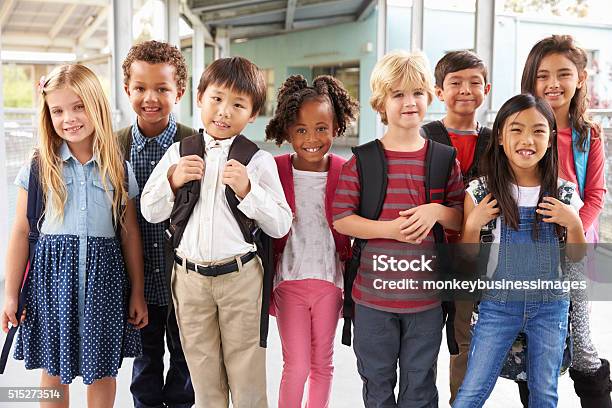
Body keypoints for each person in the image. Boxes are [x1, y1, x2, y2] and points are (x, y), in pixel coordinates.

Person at [140, 56, 292, 407]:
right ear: (199, 97)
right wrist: (172, 179)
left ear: (252, 114)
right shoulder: (179, 153)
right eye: (217, 99)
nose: (224, 111)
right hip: (189, 279)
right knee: (204, 380)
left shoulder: (257, 160)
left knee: (247, 379)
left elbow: (281, 223)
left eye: (238, 104)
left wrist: (249, 191)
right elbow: (150, 209)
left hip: (240, 278)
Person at [1, 64, 147, 408]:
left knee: (102, 373)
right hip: (51, 285)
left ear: (96, 105)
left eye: (78, 106)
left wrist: (137, 291)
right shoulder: (38, 167)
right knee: (53, 372)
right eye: (58, 110)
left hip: (106, 285)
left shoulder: (118, 167)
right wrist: (10, 295)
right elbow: (21, 232)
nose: (69, 118)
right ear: (47, 115)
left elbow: (128, 233)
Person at [333, 50, 464, 407]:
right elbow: (342, 219)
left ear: (430, 97)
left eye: (417, 93)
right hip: (374, 300)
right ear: (381, 102)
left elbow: (461, 218)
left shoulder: (443, 159)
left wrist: (436, 210)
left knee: (420, 386)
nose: (410, 102)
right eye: (398, 94)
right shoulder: (362, 161)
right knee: (377, 384)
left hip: (426, 301)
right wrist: (389, 230)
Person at [453, 93, 586, 408]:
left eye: (539, 130)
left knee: (545, 394)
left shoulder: (565, 192)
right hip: (497, 307)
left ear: (551, 139)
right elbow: (467, 260)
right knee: (472, 391)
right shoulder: (481, 192)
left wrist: (574, 224)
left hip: (551, 308)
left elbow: (578, 258)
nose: (528, 138)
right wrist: (473, 225)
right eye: (516, 129)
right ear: (499, 136)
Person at [520, 34, 611, 408]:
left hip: (574, 255)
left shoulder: (587, 135)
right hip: (527, 252)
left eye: (563, 74)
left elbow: (596, 195)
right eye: (543, 75)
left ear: (579, 79)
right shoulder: (517, 128)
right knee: (533, 343)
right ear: (531, 80)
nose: (553, 84)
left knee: (582, 342)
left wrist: (573, 225)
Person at [265, 74, 358, 408]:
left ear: (336, 127)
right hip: (289, 281)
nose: (311, 138)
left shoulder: (345, 169)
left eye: (321, 128)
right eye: (301, 129)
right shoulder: (273, 169)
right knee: (297, 365)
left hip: (330, 284)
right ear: (287, 130)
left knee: (323, 365)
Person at [117, 40, 195, 408]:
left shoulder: (194, 144)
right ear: (126, 89)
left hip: (185, 284)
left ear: (178, 92)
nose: (151, 97)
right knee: (144, 367)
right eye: (140, 88)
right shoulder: (113, 147)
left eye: (162, 88)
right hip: (137, 286)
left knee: (186, 367)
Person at [425, 50, 492, 403]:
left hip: (472, 257)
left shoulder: (496, 142)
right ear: (438, 91)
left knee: (463, 338)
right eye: (455, 83)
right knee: (421, 338)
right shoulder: (423, 137)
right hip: (426, 254)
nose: (465, 90)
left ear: (487, 88)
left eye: (474, 82)